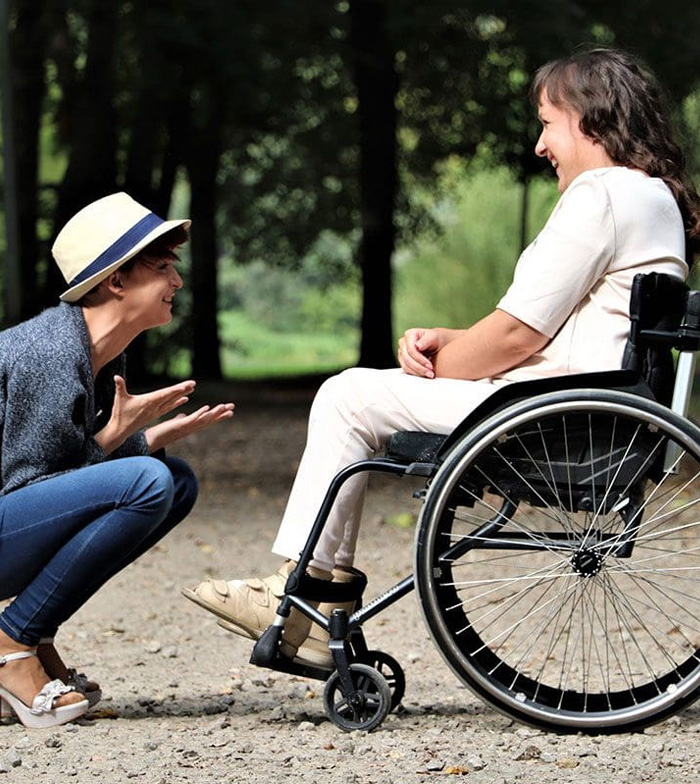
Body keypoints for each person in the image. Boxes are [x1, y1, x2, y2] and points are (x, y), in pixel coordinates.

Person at [184, 48, 700, 669]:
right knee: (363, 391)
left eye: (546, 123)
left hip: (554, 417)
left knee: (348, 396)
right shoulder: (652, 199)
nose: (540, 146)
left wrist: (436, 364)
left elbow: (515, 339)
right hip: (586, 407)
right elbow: (546, 331)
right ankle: (314, 598)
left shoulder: (604, 194)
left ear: (590, 118)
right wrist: (448, 341)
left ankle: (310, 601)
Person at [0, 192, 234, 728]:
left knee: (174, 480)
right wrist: (117, 438)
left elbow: (59, 481)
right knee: (150, 481)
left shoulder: (95, 352)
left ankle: (28, 633)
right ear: (116, 281)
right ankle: (11, 642)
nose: (176, 282)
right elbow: (28, 486)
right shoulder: (48, 355)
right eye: (162, 268)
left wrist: (143, 439)